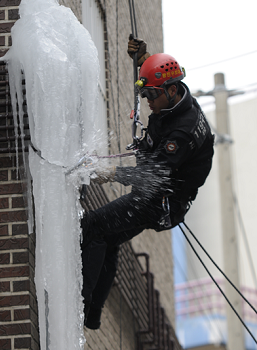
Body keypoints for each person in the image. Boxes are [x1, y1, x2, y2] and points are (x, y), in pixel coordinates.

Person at [81, 36, 214, 330]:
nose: (149, 102)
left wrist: (111, 171)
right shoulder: (171, 98)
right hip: (154, 194)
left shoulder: (184, 132)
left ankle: (78, 304)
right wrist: (144, 60)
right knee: (108, 237)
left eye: (153, 96)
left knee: (91, 226)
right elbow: (159, 75)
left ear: (173, 91)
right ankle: (91, 314)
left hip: (160, 201)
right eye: (146, 96)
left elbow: (153, 176)